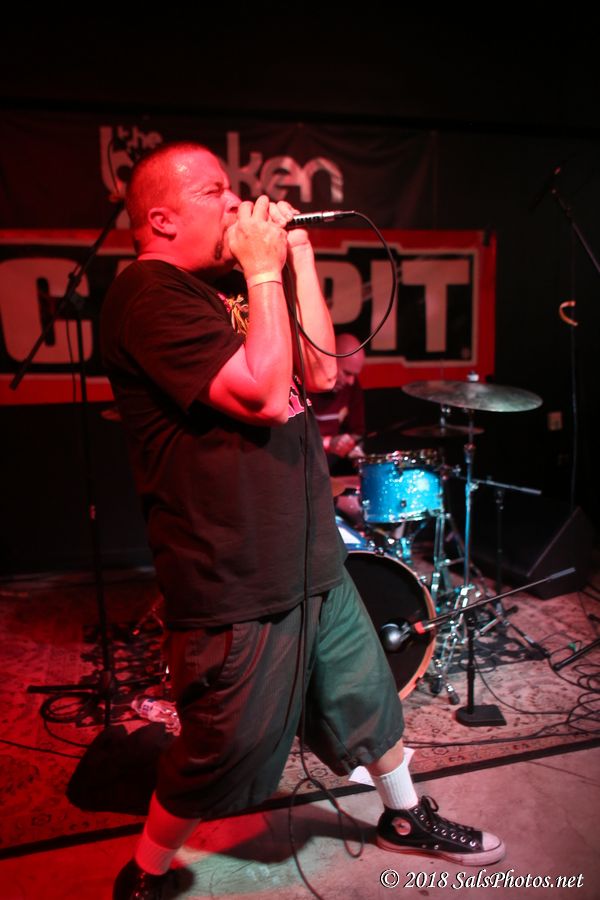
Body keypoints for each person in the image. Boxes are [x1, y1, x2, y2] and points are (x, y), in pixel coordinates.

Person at [100, 142, 504, 900]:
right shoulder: (147, 297)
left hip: (310, 548)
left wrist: (297, 254)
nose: (234, 202)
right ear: (161, 218)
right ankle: (144, 872)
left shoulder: (229, 282)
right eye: (213, 192)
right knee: (224, 742)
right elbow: (260, 394)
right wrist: (262, 270)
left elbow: (318, 373)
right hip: (235, 569)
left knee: (365, 695)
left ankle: (405, 815)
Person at [310, 332, 366, 470]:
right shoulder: (303, 385)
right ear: (329, 360)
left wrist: (352, 446)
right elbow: (293, 441)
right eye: (347, 373)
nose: (351, 381)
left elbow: (357, 433)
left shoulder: (352, 387)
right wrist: (328, 443)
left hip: (329, 466)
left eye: (354, 375)